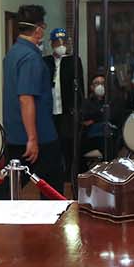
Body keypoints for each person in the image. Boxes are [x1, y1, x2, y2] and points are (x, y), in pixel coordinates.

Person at [2, 4, 63, 194]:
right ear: (38, 29)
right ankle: (53, 223)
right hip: (37, 134)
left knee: (12, 183)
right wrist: (32, 138)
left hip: (15, 132)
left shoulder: (13, 53)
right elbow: (26, 98)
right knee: (52, 185)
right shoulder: (30, 58)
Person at [44, 28, 85, 178]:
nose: (61, 45)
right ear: (52, 44)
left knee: (69, 143)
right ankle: (55, 173)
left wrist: (79, 109)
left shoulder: (73, 61)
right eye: (57, 42)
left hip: (68, 111)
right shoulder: (46, 61)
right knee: (53, 145)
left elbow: (80, 87)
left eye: (63, 42)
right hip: (51, 111)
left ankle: (71, 174)